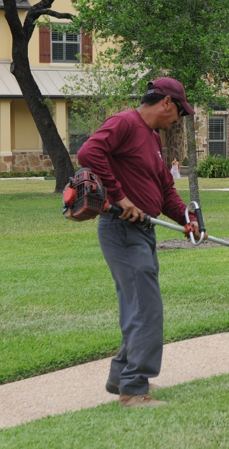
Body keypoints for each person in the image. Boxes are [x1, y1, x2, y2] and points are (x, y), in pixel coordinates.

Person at [77, 76, 199, 408]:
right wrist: (120, 196)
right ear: (166, 103)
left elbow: (164, 189)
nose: (179, 119)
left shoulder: (152, 139)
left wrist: (186, 219)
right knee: (146, 308)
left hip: (143, 231)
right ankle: (133, 390)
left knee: (139, 307)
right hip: (121, 229)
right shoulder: (125, 122)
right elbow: (89, 152)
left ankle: (121, 376)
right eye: (180, 112)